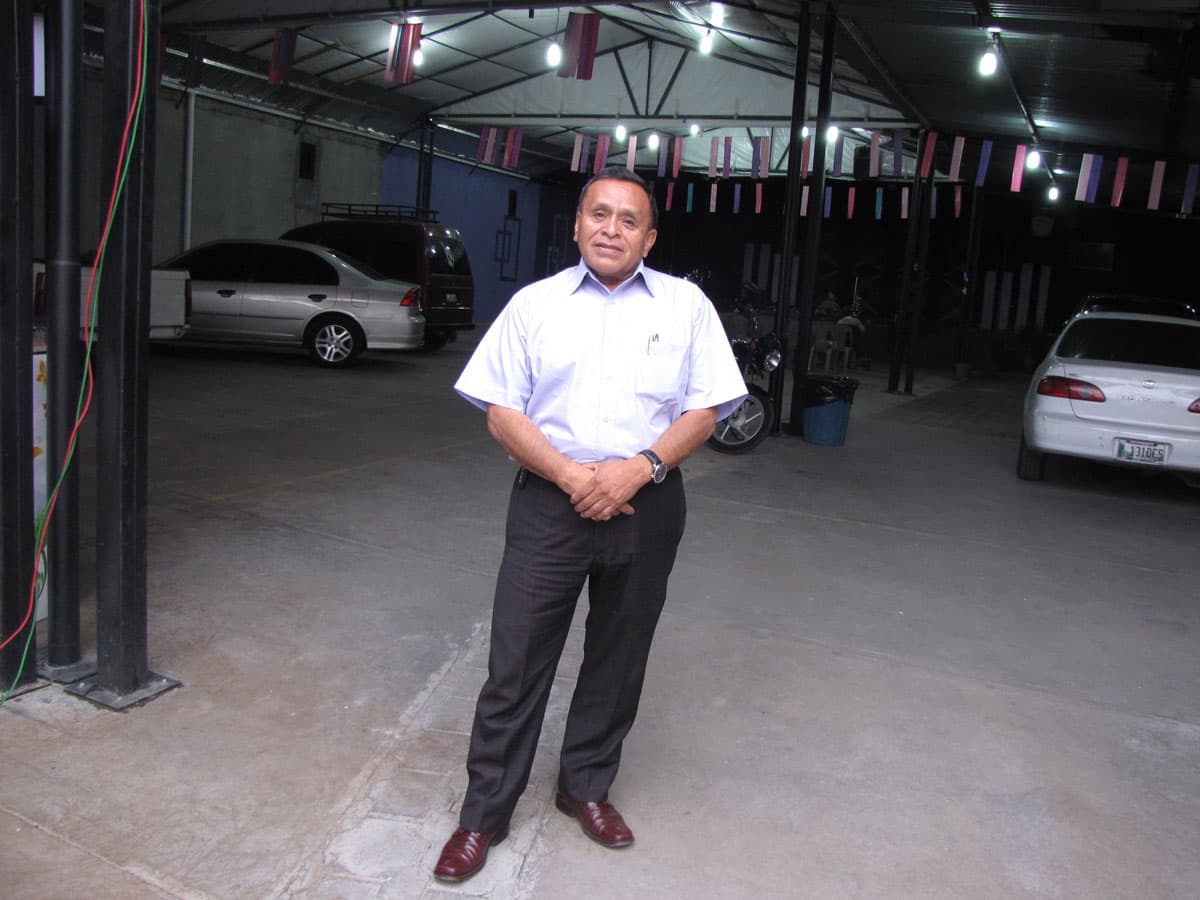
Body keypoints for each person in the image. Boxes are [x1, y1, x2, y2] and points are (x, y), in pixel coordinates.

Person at [434, 167, 747, 884]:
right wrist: (575, 476)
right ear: (576, 226)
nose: (611, 229)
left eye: (628, 219)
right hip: (551, 500)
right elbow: (501, 411)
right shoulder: (534, 306)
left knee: (619, 653)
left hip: (649, 499)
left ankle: (586, 786)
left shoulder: (686, 305)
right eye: (598, 215)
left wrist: (639, 467)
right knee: (516, 661)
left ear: (650, 237)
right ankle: (484, 814)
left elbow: (708, 406)